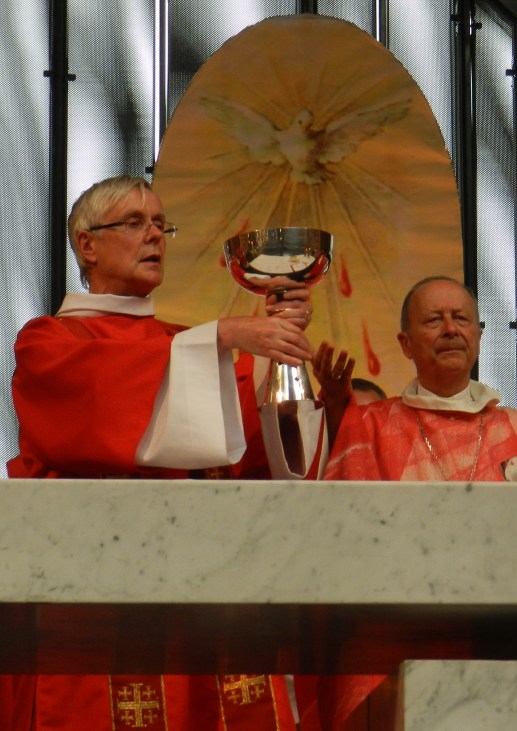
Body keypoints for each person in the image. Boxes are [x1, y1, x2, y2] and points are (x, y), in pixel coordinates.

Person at [5, 175, 315, 729]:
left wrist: (278, 357)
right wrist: (221, 339)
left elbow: (251, 455)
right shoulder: (52, 341)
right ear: (86, 244)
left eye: (160, 224)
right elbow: (99, 403)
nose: (154, 235)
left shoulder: (190, 343)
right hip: (96, 580)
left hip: (199, 580)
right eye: (134, 223)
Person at [300, 275, 517, 728]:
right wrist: (339, 405)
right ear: (405, 342)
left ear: (479, 335)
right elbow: (341, 526)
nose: (450, 329)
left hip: (502, 641)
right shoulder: (372, 425)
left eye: (461, 318)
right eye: (433, 320)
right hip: (395, 642)